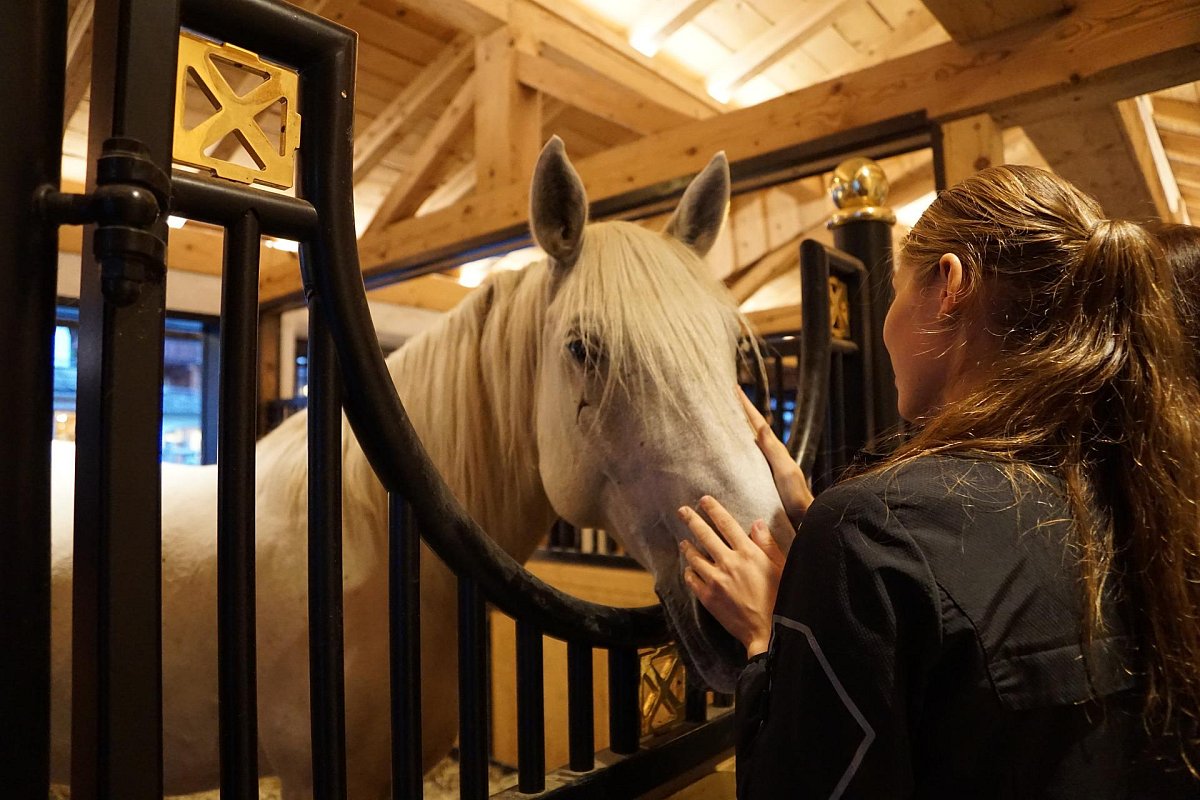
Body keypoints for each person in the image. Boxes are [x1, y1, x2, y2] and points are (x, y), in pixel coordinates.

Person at [677, 165, 1200, 798]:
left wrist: (770, 642)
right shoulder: (1150, 494)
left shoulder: (875, 531)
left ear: (948, 284)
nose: (887, 325)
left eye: (895, 292)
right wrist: (837, 577)